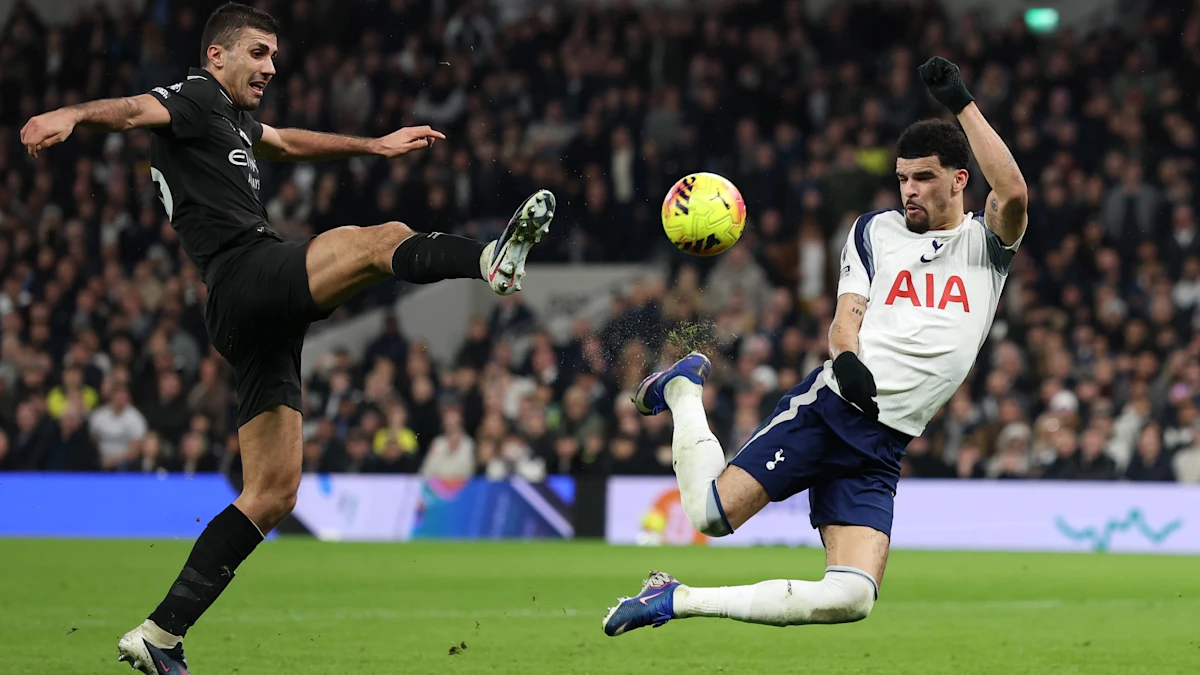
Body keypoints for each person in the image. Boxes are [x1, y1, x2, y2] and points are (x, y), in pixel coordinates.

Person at [20, 4, 555, 673]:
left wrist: (374, 144)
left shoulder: (233, 117)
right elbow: (130, 112)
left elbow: (286, 142)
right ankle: (488, 260)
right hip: (244, 274)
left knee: (272, 491)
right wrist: (70, 114)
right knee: (380, 240)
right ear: (217, 55)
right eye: (258, 53)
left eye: (273, 55)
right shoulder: (192, 97)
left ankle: (160, 634)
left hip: (248, 310)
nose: (271, 67)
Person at [603, 57, 1028, 636]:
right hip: (833, 412)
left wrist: (961, 104)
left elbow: (1014, 189)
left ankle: (674, 599)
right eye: (902, 178)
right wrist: (846, 360)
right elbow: (845, 319)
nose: (909, 191)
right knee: (708, 515)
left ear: (959, 179)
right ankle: (682, 389)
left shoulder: (986, 244)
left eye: (923, 178)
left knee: (850, 597)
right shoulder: (875, 231)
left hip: (886, 442)